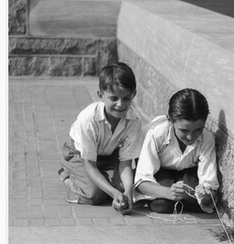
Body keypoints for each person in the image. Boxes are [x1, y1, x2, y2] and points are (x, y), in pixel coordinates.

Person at [57, 62, 141, 213]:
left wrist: (128, 192)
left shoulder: (134, 121)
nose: (120, 104)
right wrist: (114, 193)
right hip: (79, 155)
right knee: (94, 195)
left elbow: (126, 163)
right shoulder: (88, 119)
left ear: (133, 94)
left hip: (109, 155)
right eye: (114, 98)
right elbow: (90, 164)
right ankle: (66, 176)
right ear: (100, 95)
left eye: (126, 98)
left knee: (126, 186)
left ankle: (105, 183)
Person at [133, 88, 219, 214]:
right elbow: (141, 182)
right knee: (161, 204)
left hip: (186, 172)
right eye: (184, 130)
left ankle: (180, 200)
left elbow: (209, 182)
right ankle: (174, 199)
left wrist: (205, 194)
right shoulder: (156, 134)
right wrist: (168, 192)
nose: (191, 137)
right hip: (160, 170)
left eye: (198, 130)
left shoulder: (207, 138)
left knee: (196, 198)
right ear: (170, 119)